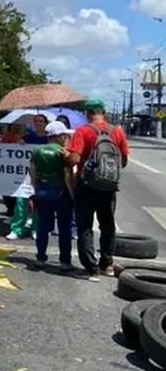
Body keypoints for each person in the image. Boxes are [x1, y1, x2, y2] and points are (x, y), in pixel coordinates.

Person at [67, 99, 129, 280]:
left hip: (86, 185)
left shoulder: (83, 131)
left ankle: (91, 268)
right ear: (104, 112)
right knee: (108, 225)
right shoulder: (117, 132)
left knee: (85, 225)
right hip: (108, 186)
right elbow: (123, 161)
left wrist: (67, 154)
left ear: (87, 114)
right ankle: (107, 264)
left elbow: (74, 160)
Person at [31, 121, 76, 271]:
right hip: (60, 193)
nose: (65, 138)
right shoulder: (62, 153)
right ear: (58, 136)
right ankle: (65, 261)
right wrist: (73, 195)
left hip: (43, 192)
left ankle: (40, 258)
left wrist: (35, 190)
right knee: (64, 227)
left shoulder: (37, 151)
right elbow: (67, 176)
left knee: (43, 226)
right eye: (64, 135)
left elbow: (32, 173)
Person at [7, 114, 49, 240]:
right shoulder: (28, 136)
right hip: (25, 175)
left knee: (38, 204)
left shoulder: (49, 139)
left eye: (40, 121)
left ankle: (35, 229)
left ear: (45, 123)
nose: (38, 123)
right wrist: (20, 143)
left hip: (42, 175)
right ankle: (16, 229)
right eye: (35, 121)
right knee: (21, 202)